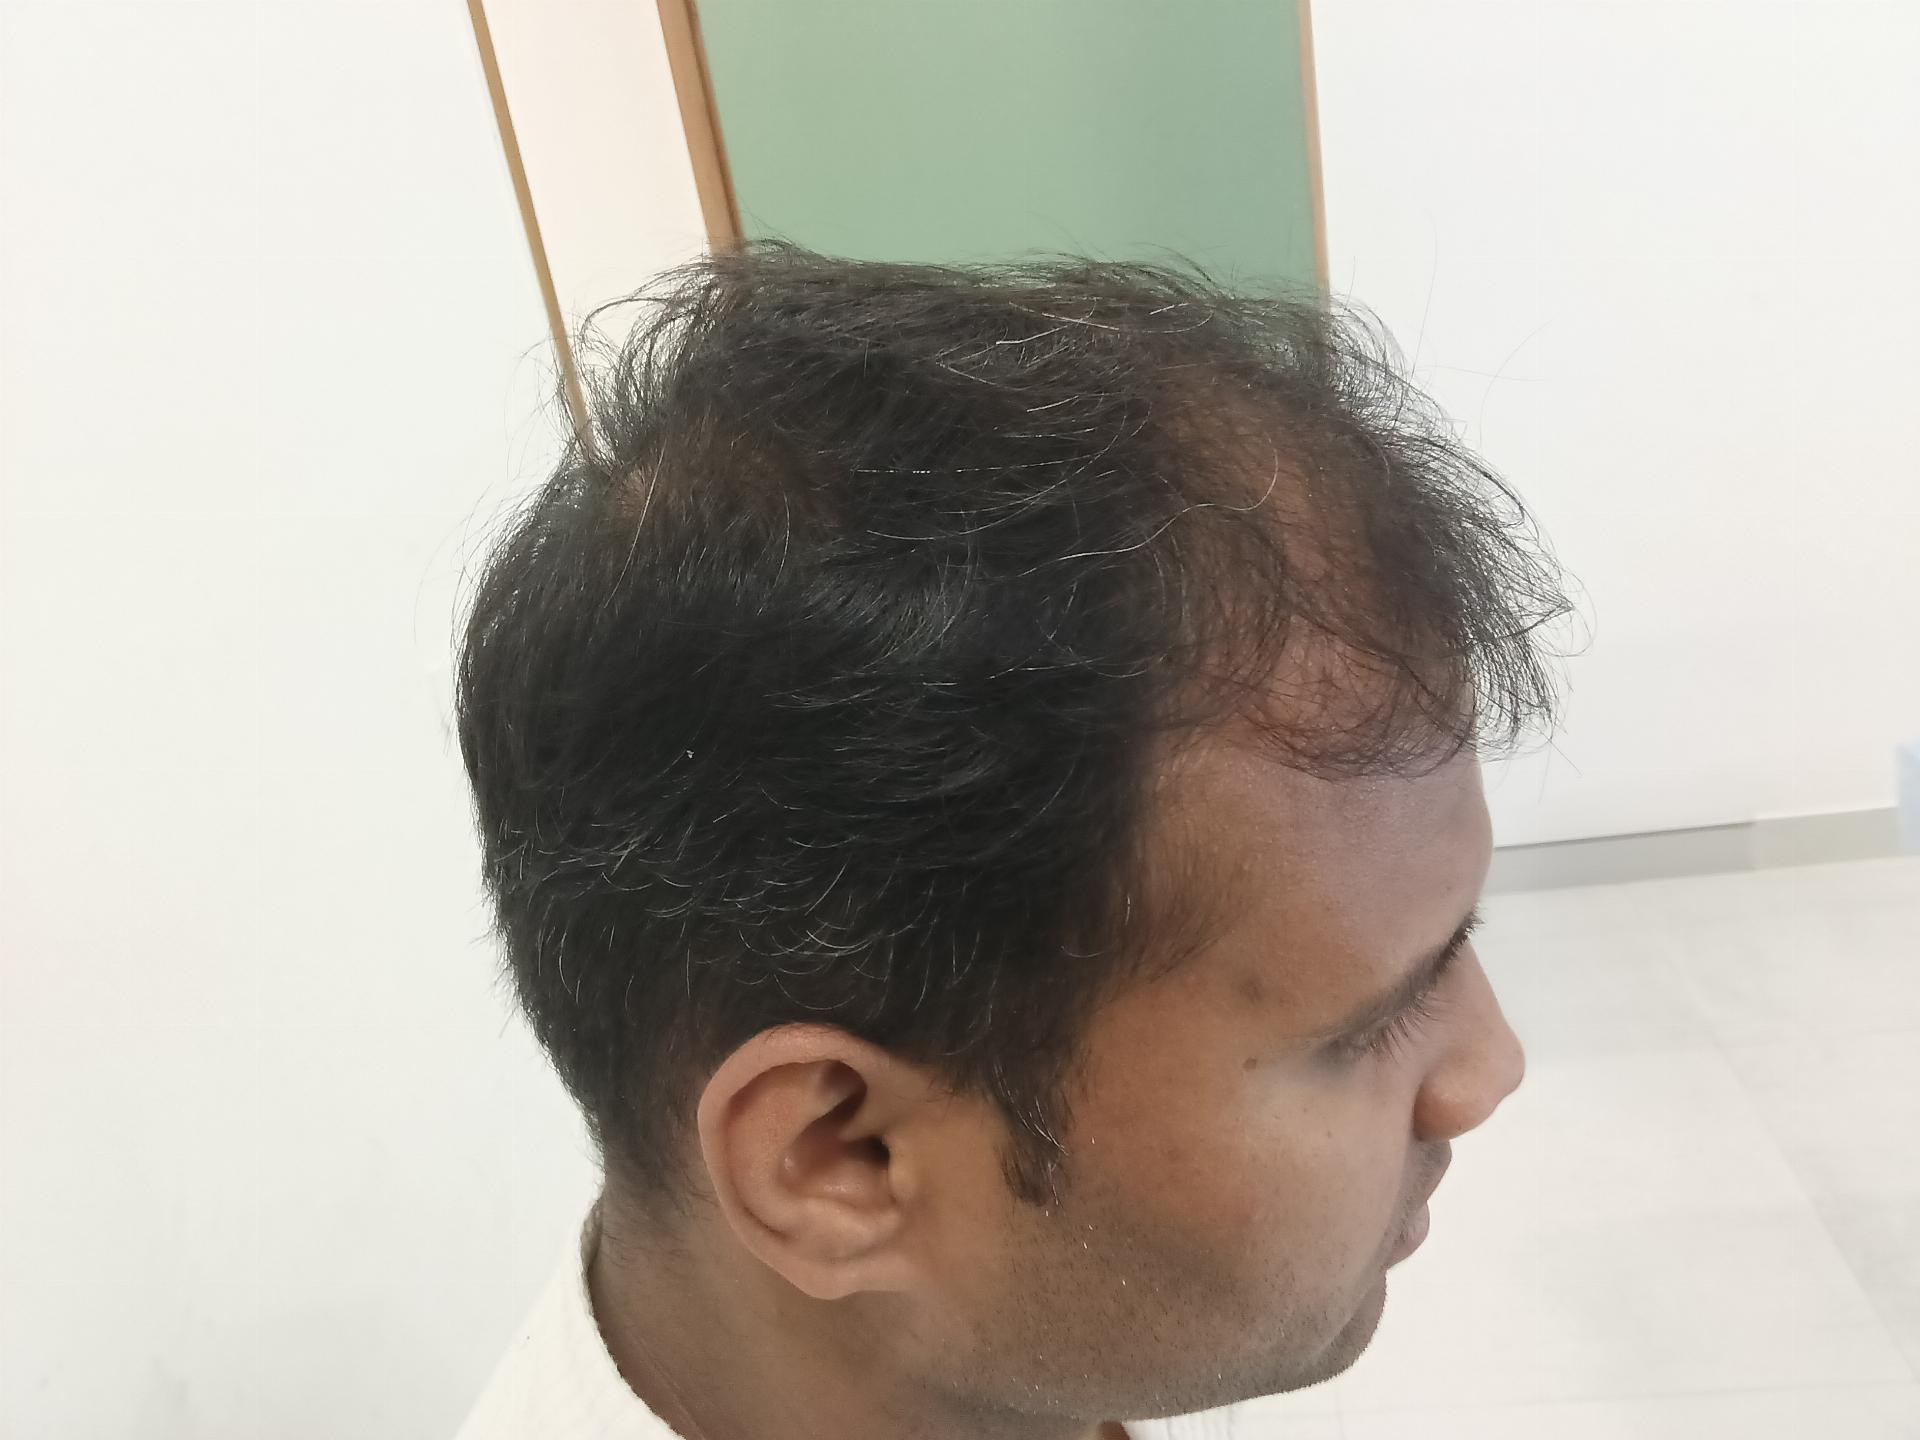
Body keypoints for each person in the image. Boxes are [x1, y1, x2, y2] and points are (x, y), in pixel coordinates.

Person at [450, 243, 1570, 1440]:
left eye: (1455, 944)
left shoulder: (1041, 1359)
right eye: (1364, 1027)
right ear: (842, 1158)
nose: (1488, 1070)